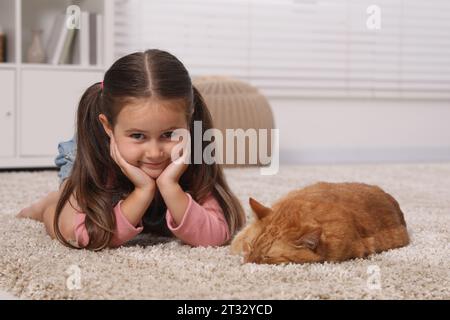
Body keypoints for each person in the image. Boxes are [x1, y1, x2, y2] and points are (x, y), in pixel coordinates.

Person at [17, 49, 246, 250]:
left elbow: (217, 233)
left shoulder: (192, 155)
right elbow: (73, 233)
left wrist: (169, 186)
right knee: (60, 205)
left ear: (189, 122)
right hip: (91, 157)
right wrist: (142, 192)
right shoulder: (98, 161)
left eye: (169, 134)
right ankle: (50, 200)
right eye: (138, 136)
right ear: (108, 126)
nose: (155, 153)